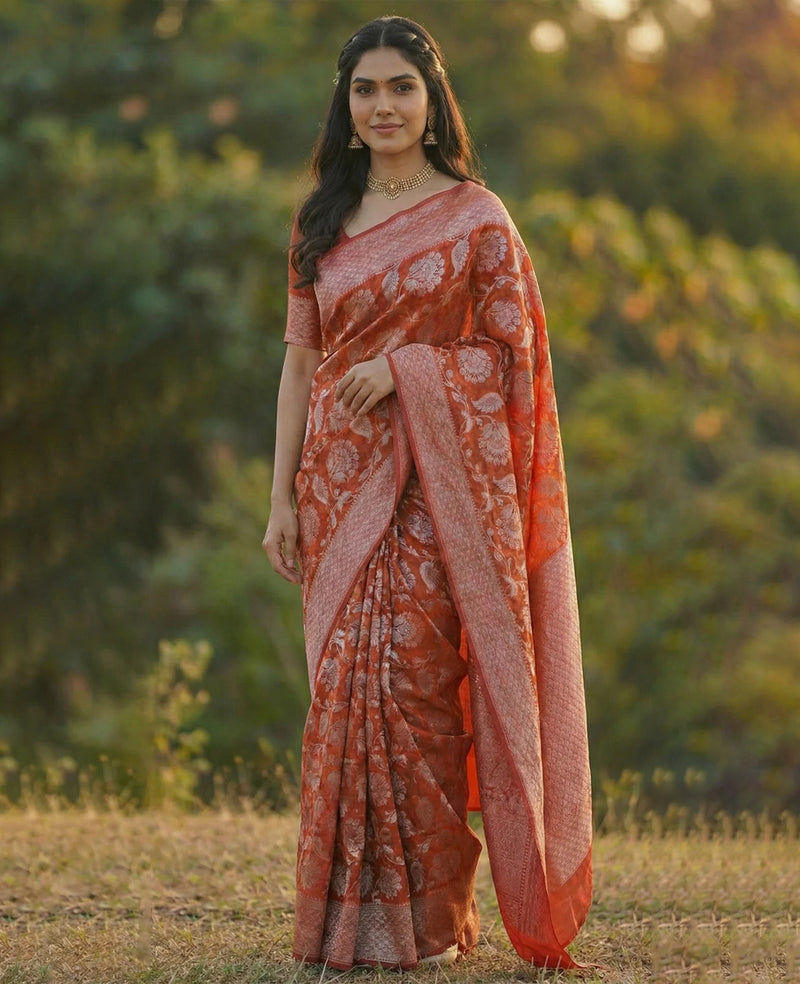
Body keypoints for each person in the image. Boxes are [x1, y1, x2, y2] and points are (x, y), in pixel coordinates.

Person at [263, 14, 592, 972]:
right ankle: (346, 928)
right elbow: (299, 366)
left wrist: (409, 370)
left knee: (412, 686)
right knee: (344, 697)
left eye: (401, 87)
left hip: (438, 498)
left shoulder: (478, 218)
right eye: (365, 90)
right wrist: (280, 499)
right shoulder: (320, 215)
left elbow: (513, 357)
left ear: (431, 98)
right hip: (336, 483)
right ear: (346, 105)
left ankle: (431, 924)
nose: (384, 106)